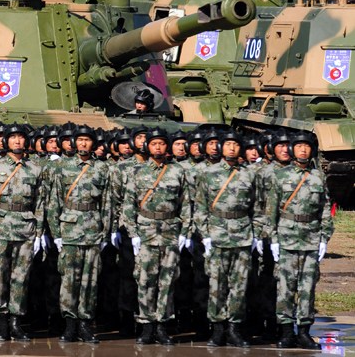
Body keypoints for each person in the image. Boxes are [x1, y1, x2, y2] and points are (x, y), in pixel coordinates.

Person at [122, 128, 191, 345]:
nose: (158, 147)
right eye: (154, 144)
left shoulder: (177, 171)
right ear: (147, 147)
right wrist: (133, 233)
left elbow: (185, 203)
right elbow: (128, 205)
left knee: (167, 280)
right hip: (146, 231)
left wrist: (185, 232)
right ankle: (146, 325)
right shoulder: (137, 172)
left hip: (170, 231)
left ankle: (162, 325)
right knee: (145, 280)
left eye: (161, 143)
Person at [266, 130, 333, 350]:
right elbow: (271, 210)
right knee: (285, 287)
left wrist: (324, 237)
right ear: (292, 149)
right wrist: (273, 239)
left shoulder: (318, 177)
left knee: (307, 287)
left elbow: (325, 208)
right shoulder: (280, 176)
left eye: (306, 146)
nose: (303, 150)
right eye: (298, 146)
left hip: (311, 238)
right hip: (286, 237)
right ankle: (286, 331)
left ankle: (304, 331)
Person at [0, 124, 47, 342]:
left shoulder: (35, 169)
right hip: (0, 227)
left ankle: (16, 322)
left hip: (25, 228)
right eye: (13, 137)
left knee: (21, 277)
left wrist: (39, 233)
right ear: (6, 141)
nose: (17, 141)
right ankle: (1, 322)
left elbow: (40, 203)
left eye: (21, 137)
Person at [194, 129, 260, 348]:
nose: (232, 148)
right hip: (217, 234)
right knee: (216, 284)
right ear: (221, 148)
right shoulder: (208, 173)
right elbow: (200, 207)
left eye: (236, 145)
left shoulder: (249, 174)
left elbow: (258, 207)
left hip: (242, 235)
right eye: (228, 144)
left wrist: (256, 234)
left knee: (239, 285)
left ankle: (234, 328)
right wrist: (205, 236)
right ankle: (217, 328)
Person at [48, 125, 112, 343]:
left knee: (89, 280)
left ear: (93, 144)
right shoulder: (62, 167)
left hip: (93, 229)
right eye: (80, 139)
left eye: (88, 140)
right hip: (69, 229)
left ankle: (85, 324)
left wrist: (105, 233)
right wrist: (56, 233)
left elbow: (107, 203)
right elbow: (54, 202)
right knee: (69, 279)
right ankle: (69, 324)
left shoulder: (102, 169)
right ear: (74, 143)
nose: (84, 143)